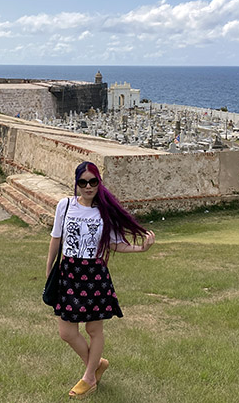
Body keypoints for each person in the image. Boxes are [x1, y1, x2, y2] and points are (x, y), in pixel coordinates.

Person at [46, 161, 155, 399]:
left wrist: (141, 249)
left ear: (99, 183)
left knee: (94, 329)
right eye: (83, 182)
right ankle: (96, 365)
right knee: (66, 332)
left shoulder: (104, 212)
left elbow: (115, 244)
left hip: (94, 274)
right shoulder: (65, 206)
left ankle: (88, 379)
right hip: (68, 273)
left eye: (93, 182)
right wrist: (49, 273)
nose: (88, 187)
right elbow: (56, 239)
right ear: (76, 183)